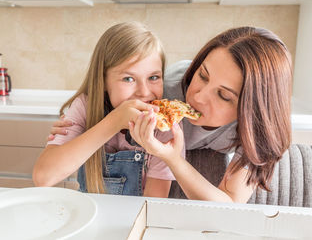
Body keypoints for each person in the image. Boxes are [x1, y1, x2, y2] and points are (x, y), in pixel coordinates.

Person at [49, 26, 293, 203]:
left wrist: (174, 160)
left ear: (253, 111)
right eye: (203, 75)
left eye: (224, 96)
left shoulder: (259, 132)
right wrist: (81, 123)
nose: (197, 97)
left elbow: (228, 204)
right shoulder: (167, 89)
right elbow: (118, 92)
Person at [32, 22, 176, 197]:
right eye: (129, 79)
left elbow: (153, 205)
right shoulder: (85, 107)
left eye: (153, 77)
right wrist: (114, 121)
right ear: (103, 80)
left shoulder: (164, 127)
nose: (144, 92)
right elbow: (43, 178)